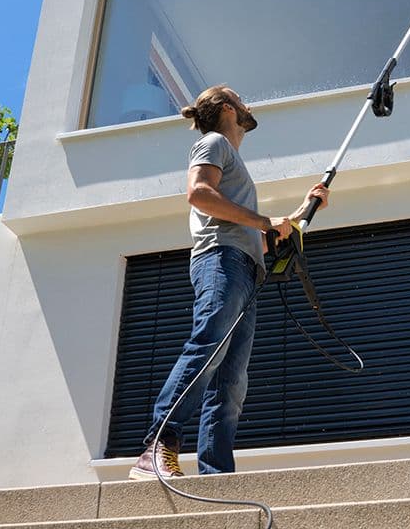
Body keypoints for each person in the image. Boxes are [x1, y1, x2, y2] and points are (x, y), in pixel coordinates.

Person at [129, 85, 329, 480]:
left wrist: (307, 208)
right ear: (227, 108)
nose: (249, 104)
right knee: (209, 346)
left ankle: (216, 474)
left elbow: (268, 235)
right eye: (241, 99)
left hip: (245, 268)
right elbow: (199, 193)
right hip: (221, 260)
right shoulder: (214, 142)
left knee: (231, 382)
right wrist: (262, 221)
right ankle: (156, 449)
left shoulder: (232, 161)